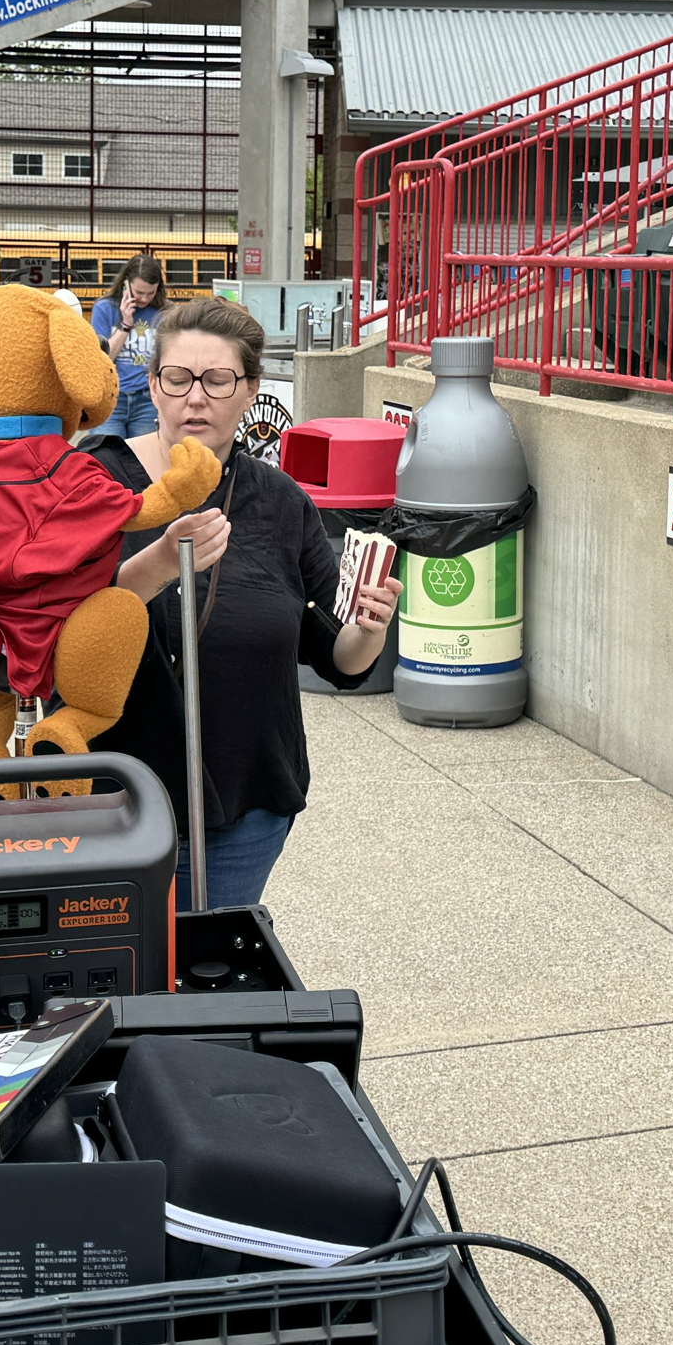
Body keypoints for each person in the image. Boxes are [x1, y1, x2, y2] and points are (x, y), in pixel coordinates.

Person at [86, 297, 399, 905]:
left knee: (213, 977)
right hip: (112, 797)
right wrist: (155, 564)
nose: (195, 398)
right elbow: (61, 628)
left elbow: (339, 658)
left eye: (218, 380)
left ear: (251, 389)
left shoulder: (281, 501)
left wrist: (370, 626)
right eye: (177, 379)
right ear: (152, 386)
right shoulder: (94, 484)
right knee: (127, 982)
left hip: (247, 800)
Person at [91, 251, 169, 439]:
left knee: (142, 461)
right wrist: (125, 325)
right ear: (126, 284)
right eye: (139, 292)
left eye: (151, 293)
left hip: (147, 400)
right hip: (111, 398)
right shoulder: (104, 309)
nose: (144, 298)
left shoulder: (163, 313)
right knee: (106, 457)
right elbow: (102, 359)